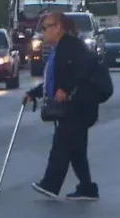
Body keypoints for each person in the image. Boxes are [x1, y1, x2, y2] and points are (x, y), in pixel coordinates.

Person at [22, 12, 100, 201]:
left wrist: (66, 88)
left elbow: (84, 69)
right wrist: (35, 92)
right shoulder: (61, 47)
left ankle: (50, 184)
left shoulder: (72, 46)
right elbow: (54, 79)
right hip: (73, 105)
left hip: (77, 106)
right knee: (76, 150)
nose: (43, 32)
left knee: (61, 146)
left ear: (58, 28)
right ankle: (87, 187)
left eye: (46, 27)